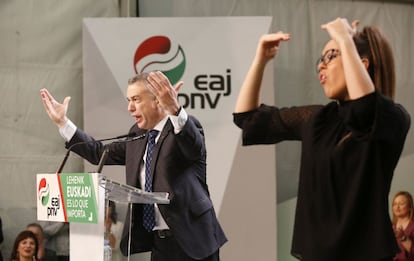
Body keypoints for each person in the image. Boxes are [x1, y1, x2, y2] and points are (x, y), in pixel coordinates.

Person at [233, 17, 411, 261]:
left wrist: (345, 39)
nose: (321, 66)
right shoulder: (319, 119)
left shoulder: (392, 117)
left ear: (361, 64)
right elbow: (246, 117)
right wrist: (261, 60)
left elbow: (364, 111)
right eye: (321, 60)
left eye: (330, 56)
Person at [40, 70, 227, 261]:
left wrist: (175, 110)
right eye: (129, 100)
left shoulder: (183, 129)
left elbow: (193, 146)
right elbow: (99, 153)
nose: (130, 107)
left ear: (157, 100)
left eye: (136, 99)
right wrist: (63, 123)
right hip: (160, 244)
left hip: (195, 240)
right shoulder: (137, 135)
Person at [392, 191, 414, 261]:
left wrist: (403, 237)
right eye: (394, 204)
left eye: (401, 204)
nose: (397, 207)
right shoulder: (391, 226)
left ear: (410, 207)